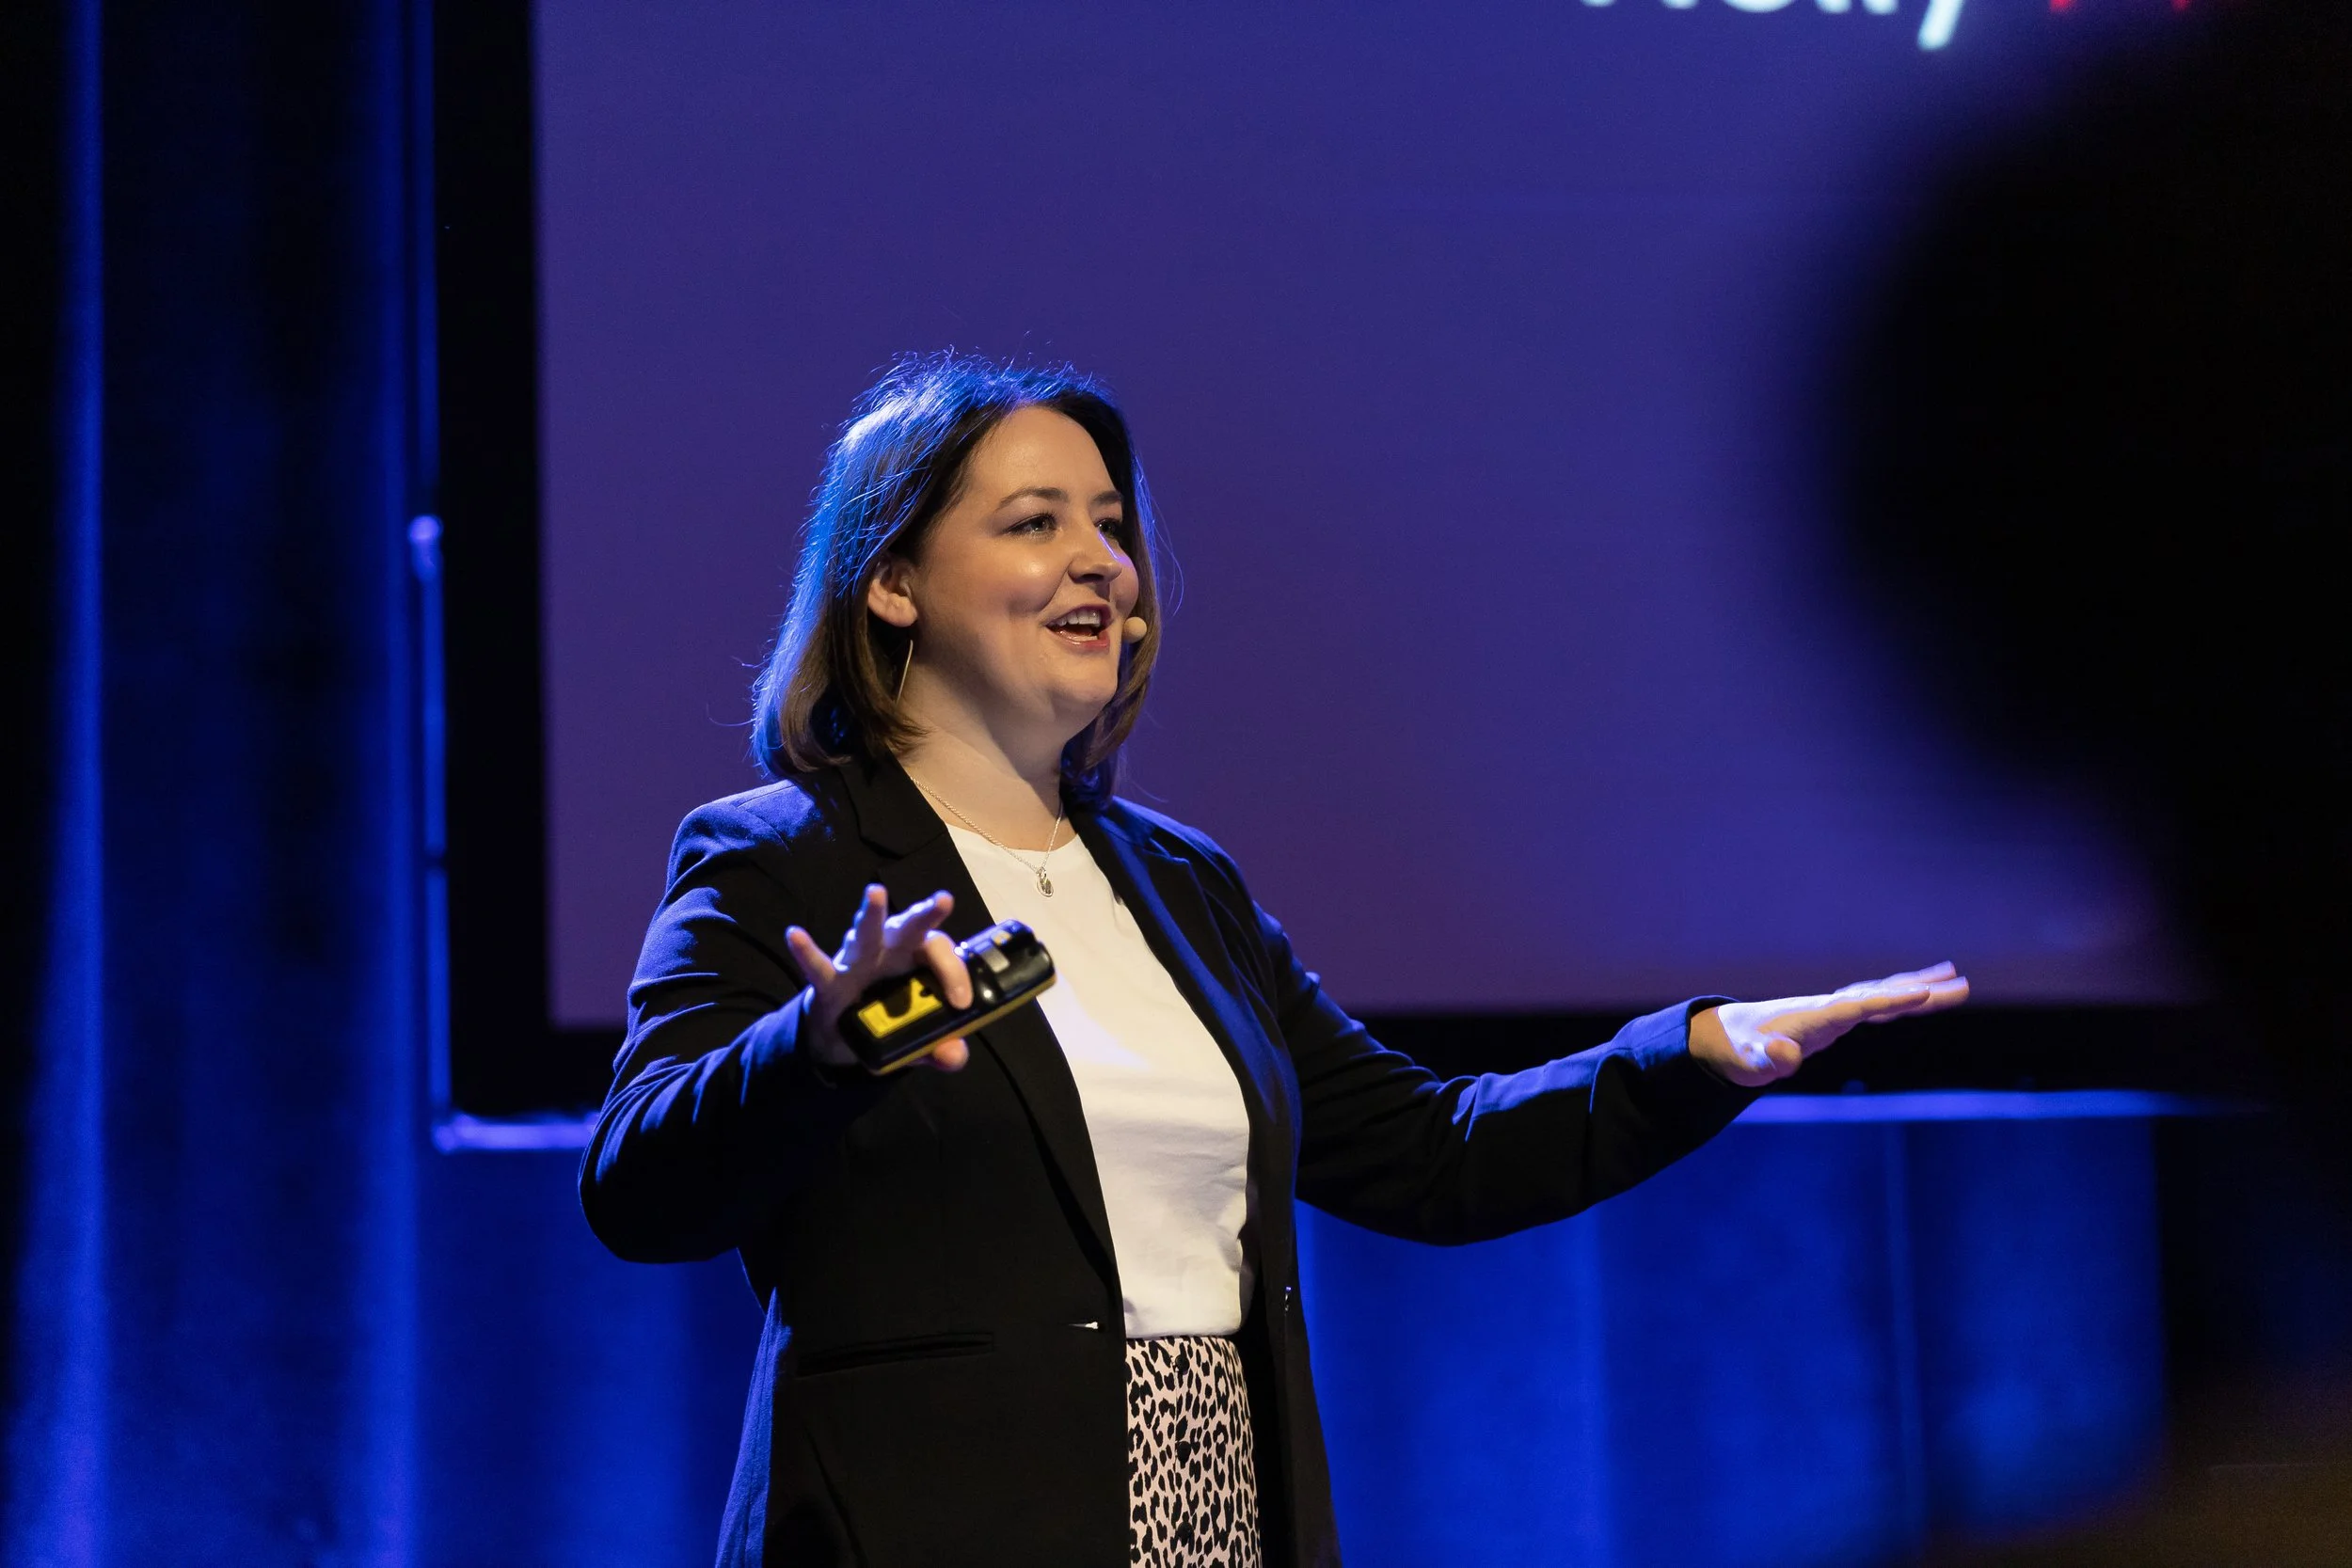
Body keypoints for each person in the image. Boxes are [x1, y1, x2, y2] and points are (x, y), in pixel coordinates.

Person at [578, 353, 1970, 1568]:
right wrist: (825, 1044)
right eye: (1034, 522)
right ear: (890, 583)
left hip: (1215, 1498)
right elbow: (638, 1179)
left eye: (1111, 527)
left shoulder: (1182, 883)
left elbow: (1431, 1152)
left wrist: (1698, 1050)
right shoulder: (778, 856)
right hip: (932, 1516)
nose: (1100, 563)